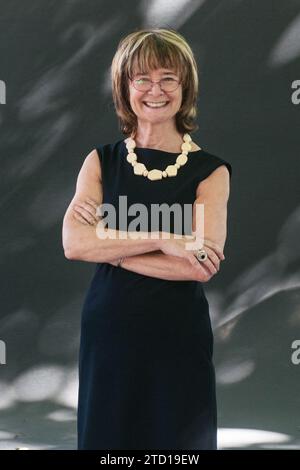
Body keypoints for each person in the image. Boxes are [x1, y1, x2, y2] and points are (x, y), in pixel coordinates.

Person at [62, 28, 232, 450]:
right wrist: (164, 238)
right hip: (109, 335)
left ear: (185, 87)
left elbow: (201, 264)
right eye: (142, 78)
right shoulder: (100, 161)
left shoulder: (210, 171)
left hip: (177, 338)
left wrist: (110, 246)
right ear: (125, 87)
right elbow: (74, 244)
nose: (155, 90)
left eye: (168, 78)